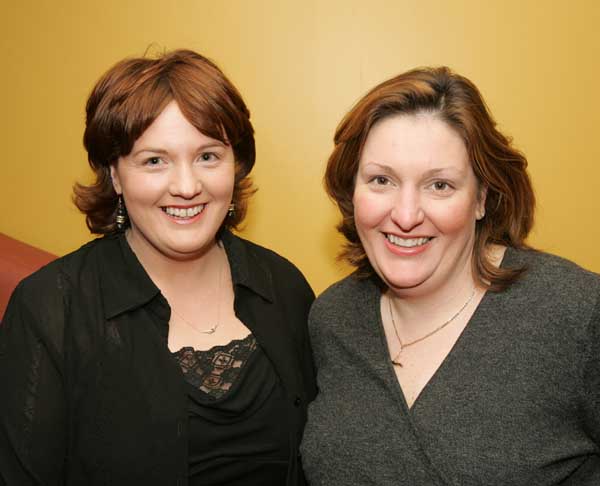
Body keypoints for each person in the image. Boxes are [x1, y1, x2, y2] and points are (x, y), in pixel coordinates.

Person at [0, 49, 316, 486]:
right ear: (115, 174)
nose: (187, 187)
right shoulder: (51, 309)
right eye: (154, 161)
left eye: (208, 156)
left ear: (235, 165)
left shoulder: (284, 287)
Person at [301, 67, 600, 485]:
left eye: (439, 185)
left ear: (481, 198)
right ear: (351, 190)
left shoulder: (577, 314)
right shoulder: (331, 318)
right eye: (381, 180)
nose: (405, 215)